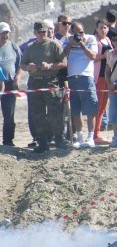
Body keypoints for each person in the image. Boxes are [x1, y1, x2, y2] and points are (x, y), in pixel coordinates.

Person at [21, 21, 67, 153]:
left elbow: (64, 63)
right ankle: (42, 141)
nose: (42, 34)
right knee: (37, 113)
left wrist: (50, 66)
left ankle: (59, 139)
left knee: (55, 112)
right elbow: (22, 65)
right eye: (40, 32)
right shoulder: (30, 47)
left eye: (44, 32)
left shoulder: (54, 45)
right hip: (35, 82)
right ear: (35, 33)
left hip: (50, 81)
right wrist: (29, 67)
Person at [62, 22, 99, 148]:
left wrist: (82, 43)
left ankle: (90, 137)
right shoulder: (68, 40)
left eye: (81, 32)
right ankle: (79, 137)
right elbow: (63, 56)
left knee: (90, 109)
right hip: (72, 78)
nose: (79, 35)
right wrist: (71, 43)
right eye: (76, 33)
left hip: (86, 77)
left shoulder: (91, 38)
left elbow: (93, 56)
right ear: (72, 32)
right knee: (75, 110)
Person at [0, 22, 21, 146]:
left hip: (9, 84)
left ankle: (8, 141)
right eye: (2, 33)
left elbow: (20, 65)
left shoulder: (13, 47)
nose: (5, 35)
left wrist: (17, 78)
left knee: (9, 114)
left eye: (7, 33)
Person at [92, 20, 113, 145]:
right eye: (101, 28)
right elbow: (92, 57)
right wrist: (104, 56)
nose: (103, 30)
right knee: (98, 105)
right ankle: (95, 134)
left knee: (103, 106)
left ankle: (97, 132)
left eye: (105, 27)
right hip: (98, 76)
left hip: (107, 76)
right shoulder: (94, 40)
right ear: (96, 29)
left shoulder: (108, 40)